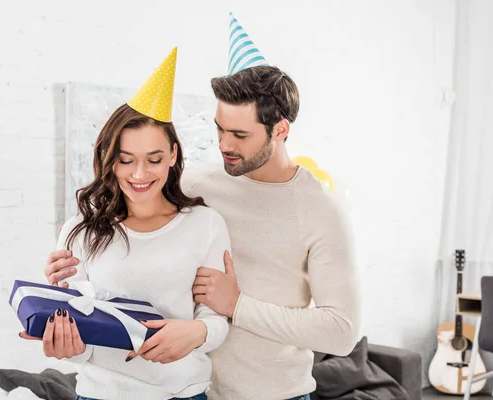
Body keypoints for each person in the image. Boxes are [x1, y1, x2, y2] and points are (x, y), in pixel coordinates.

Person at [45, 15, 361, 400]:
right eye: (219, 128)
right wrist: (64, 269)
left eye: (240, 135)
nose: (224, 145)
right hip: (195, 390)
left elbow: (342, 332)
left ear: (280, 130)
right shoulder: (197, 184)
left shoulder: (320, 213)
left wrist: (237, 306)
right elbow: (126, 217)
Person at [21, 47, 231, 400]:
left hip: (185, 394)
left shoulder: (206, 225)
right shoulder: (80, 231)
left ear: (174, 155)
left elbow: (217, 323)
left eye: (154, 159)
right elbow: (82, 339)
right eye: (125, 160)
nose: (139, 174)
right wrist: (66, 344)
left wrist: (196, 333)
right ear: (109, 159)